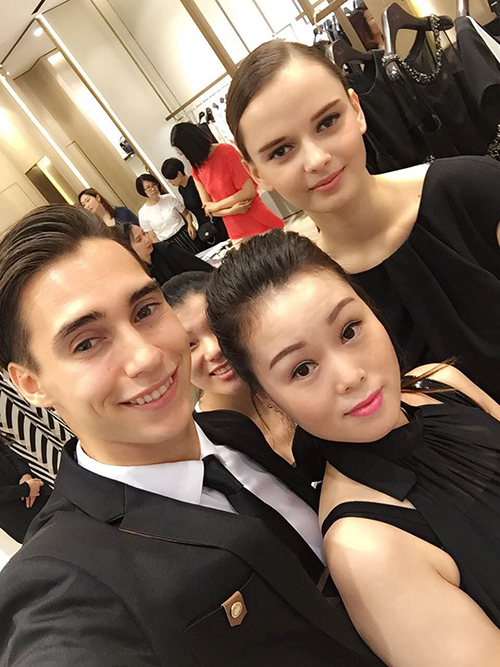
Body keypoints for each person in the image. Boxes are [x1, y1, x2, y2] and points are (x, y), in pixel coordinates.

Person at [0, 205, 382, 666]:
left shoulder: (231, 433)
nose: (146, 357)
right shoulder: (66, 582)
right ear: (32, 384)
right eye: (86, 343)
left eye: (145, 310)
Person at [206, 229, 500, 667]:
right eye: (302, 369)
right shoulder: (366, 547)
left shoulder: (443, 383)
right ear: (268, 396)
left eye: (349, 330)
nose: (350, 376)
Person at [224, 40, 500, 402]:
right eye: (281, 151)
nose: (317, 159)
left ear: (356, 110)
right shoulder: (306, 292)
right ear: (256, 173)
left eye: (327, 122)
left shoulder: (470, 190)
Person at [162, 272, 294, 463]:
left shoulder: (298, 379)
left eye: (217, 328)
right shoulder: (199, 451)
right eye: (189, 344)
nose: (213, 350)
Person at [170, 122, 283, 241]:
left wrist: (217, 205)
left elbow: (248, 191)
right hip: (235, 231)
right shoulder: (196, 169)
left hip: (258, 220)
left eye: (184, 153)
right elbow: (208, 209)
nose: (186, 157)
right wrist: (231, 210)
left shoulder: (225, 151)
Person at [115, 223, 212, 286]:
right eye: (139, 240)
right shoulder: (134, 273)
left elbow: (206, 270)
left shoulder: (166, 249)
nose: (147, 240)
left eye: (144, 233)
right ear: (128, 249)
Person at [161, 157, 228, 244]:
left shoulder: (195, 182)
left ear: (179, 174)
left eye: (171, 179)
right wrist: (190, 224)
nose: (169, 182)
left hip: (215, 221)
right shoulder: (181, 189)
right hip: (203, 226)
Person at [136, 173, 202, 254]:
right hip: (168, 245)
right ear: (143, 191)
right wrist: (163, 250)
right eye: (148, 187)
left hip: (185, 234)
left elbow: (186, 213)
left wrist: (190, 225)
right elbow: (153, 237)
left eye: (154, 185)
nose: (153, 189)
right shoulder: (143, 213)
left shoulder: (169, 198)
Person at [0, 437, 48, 543]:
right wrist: (24, 489)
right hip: (16, 514)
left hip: (35, 489)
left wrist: (25, 474)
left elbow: (7, 452)